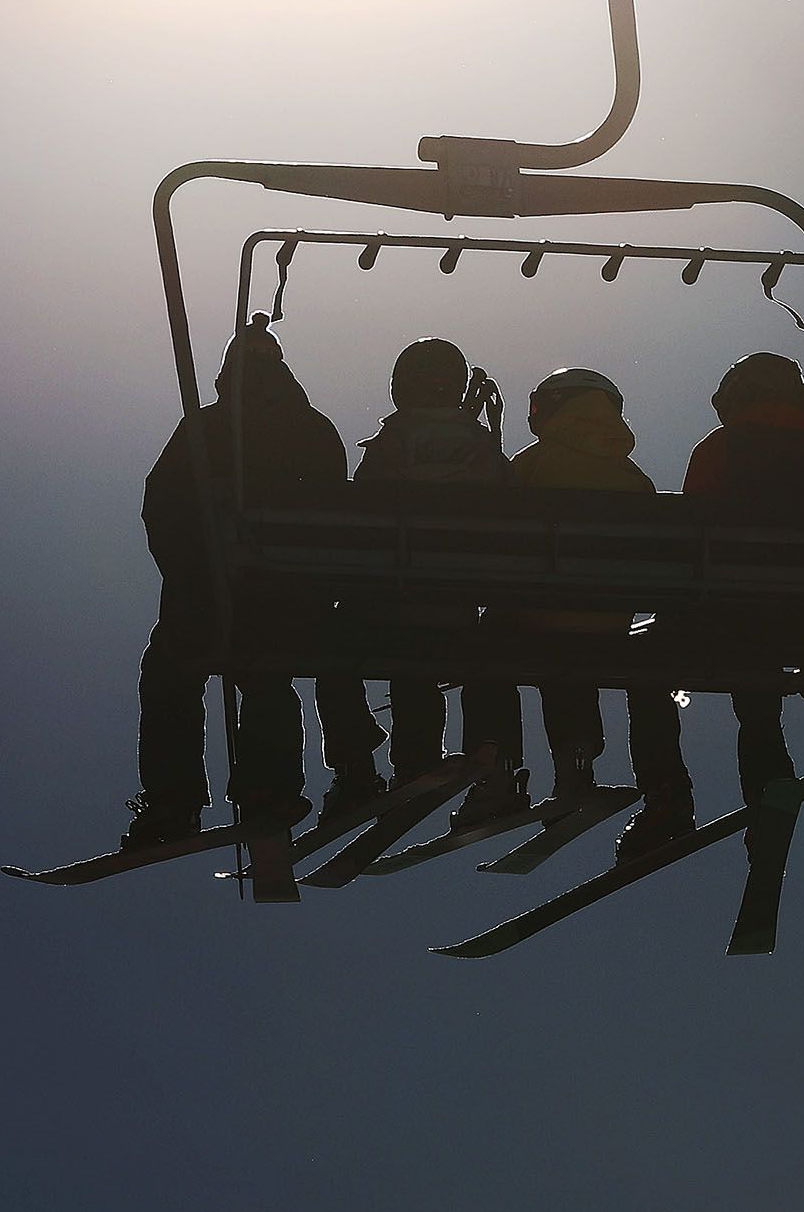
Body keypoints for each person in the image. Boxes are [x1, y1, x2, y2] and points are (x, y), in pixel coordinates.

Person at [620, 351, 804, 861]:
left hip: (715, 613)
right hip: (786, 621)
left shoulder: (720, 447)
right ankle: (769, 791)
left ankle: (667, 796)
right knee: (758, 702)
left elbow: (693, 533)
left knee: (642, 666)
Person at [124, 316, 344, 849]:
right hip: (291, 602)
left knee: (170, 670)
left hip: (209, 599)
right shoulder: (314, 430)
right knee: (267, 677)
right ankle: (269, 789)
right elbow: (339, 515)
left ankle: (173, 800)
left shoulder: (206, 429)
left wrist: (188, 574)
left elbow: (162, 506)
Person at [326, 337, 523, 829]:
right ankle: (487, 768)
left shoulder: (390, 446)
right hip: (456, 608)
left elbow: (360, 522)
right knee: (447, 646)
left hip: (388, 608)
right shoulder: (482, 447)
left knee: (341, 644)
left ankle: (372, 767)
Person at [508, 368, 655, 802]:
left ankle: (496, 767)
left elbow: (497, 531)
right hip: (606, 618)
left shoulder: (533, 463)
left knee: (505, 642)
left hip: (540, 613)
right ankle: (579, 764)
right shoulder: (634, 479)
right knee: (577, 654)